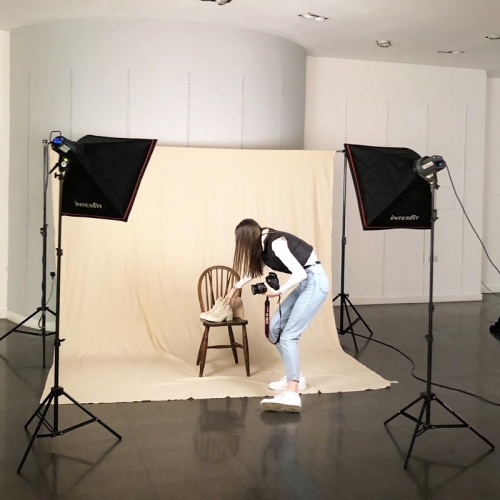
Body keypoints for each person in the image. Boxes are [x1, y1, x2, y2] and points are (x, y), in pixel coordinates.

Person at [225, 219, 329, 412]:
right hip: (305, 284)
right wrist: (235, 288)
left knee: (289, 336)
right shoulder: (263, 247)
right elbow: (252, 272)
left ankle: (292, 392)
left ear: (247, 238)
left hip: (314, 281)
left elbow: (300, 273)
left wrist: (278, 291)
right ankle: (297, 376)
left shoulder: (276, 243)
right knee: (274, 329)